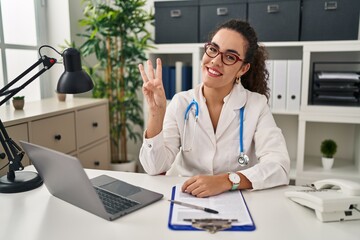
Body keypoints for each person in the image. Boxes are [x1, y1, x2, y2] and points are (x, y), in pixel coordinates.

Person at [138, 19, 290, 198]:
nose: (216, 61)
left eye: (230, 57)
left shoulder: (256, 105)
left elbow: (279, 166)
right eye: (213, 49)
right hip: (185, 197)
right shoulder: (181, 102)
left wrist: (227, 181)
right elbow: (154, 167)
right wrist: (156, 114)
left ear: (243, 69)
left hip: (234, 199)